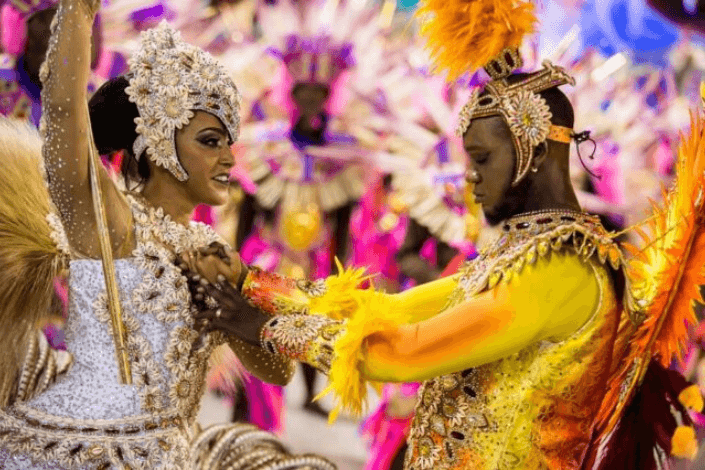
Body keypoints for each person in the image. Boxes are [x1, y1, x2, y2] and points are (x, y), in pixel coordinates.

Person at [182, 0, 705, 468]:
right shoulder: (531, 251)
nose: (470, 175)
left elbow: (402, 351)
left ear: (535, 151)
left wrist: (261, 325)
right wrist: (252, 282)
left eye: (481, 158)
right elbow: (399, 309)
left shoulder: (563, 266)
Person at [0, 0, 335, 466]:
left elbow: (277, 374)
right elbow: (61, 113)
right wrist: (78, 14)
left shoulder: (214, 252)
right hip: (83, 453)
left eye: (227, 143)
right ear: (159, 142)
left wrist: (240, 320)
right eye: (209, 142)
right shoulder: (111, 223)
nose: (228, 160)